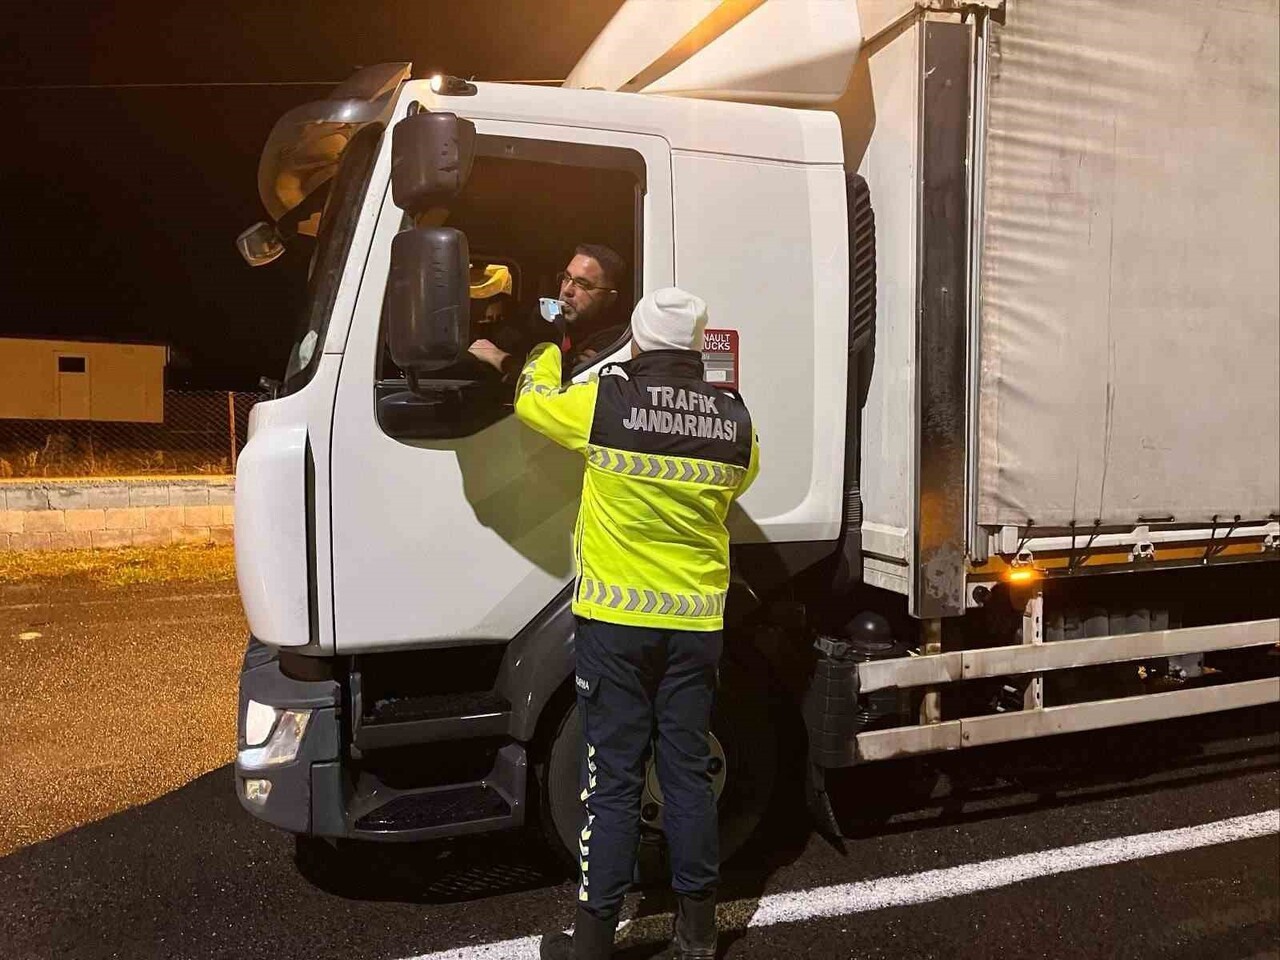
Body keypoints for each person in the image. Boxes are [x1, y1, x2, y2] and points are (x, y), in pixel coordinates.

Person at [512, 287, 760, 960]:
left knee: (613, 781)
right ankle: (699, 935)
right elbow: (739, 484)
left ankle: (592, 945)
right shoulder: (734, 420)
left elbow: (532, 403)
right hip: (696, 627)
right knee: (686, 775)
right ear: (697, 345)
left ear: (639, 342)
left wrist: (544, 351)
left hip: (616, 625)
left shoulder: (609, 401)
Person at [468, 243, 627, 380]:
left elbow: (561, 387)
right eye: (566, 278)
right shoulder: (551, 318)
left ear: (609, 298)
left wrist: (498, 357)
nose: (567, 290)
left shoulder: (617, 339)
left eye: (583, 284)